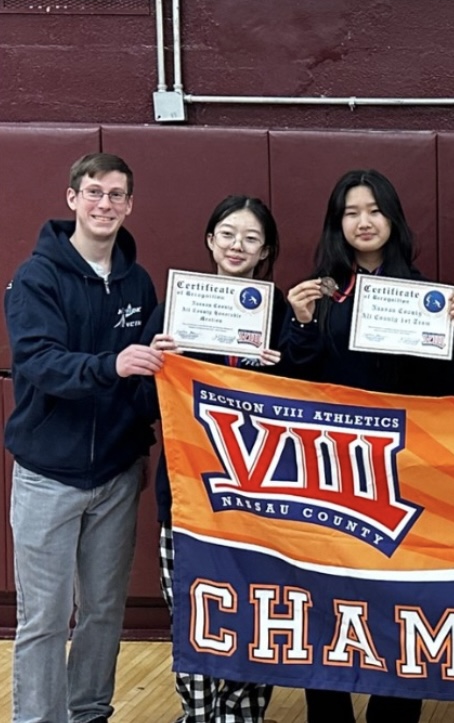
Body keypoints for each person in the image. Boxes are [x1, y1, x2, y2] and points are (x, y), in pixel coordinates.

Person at [281, 169, 454, 723]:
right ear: (336, 223)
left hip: (402, 475)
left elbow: (441, 393)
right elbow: (293, 386)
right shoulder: (316, 293)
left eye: (374, 210)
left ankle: (394, 714)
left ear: (392, 219)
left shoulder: (425, 294)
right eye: (351, 212)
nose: (364, 222)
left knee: (402, 608)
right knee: (326, 608)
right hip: (329, 475)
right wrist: (299, 325)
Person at [4, 152, 165, 723]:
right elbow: (40, 363)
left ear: (129, 205)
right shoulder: (36, 277)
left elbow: (145, 377)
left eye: (117, 195)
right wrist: (111, 365)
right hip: (48, 475)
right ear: (72, 198)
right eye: (94, 192)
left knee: (102, 611)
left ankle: (89, 712)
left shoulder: (138, 281)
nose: (105, 204)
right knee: (45, 617)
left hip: (117, 475)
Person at [143, 195, 284, 723]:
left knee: (256, 612)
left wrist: (281, 374)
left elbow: (309, 409)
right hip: (186, 497)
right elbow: (142, 405)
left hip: (260, 500)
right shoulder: (173, 311)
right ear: (209, 239)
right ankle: (200, 716)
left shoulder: (279, 316)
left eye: (250, 237)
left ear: (265, 248)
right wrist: (159, 364)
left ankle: (245, 715)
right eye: (227, 233)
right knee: (195, 614)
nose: (236, 246)